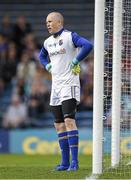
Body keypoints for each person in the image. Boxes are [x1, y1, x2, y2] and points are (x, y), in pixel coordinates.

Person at [39, 12, 93, 171]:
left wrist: (76, 60)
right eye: (46, 22)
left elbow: (88, 45)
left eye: (50, 21)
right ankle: (64, 163)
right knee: (58, 125)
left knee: (69, 121)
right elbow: (41, 56)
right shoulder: (47, 42)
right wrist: (46, 65)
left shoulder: (70, 36)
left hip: (69, 84)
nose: (47, 24)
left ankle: (74, 162)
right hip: (55, 87)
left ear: (59, 22)